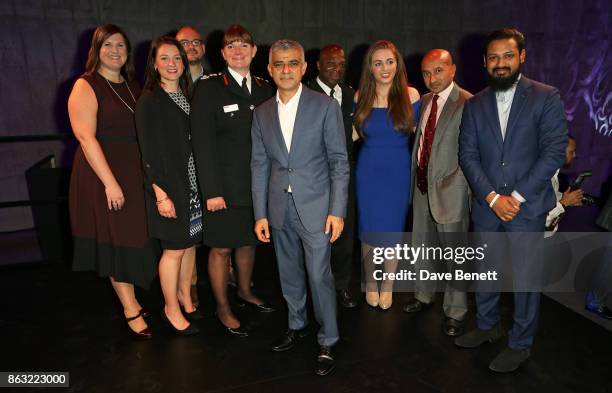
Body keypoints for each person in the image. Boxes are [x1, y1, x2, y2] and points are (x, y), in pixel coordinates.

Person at [457, 28, 567, 372]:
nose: (500, 63)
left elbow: (553, 153)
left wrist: (515, 197)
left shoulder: (546, 97)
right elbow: (467, 155)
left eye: (508, 56)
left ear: (522, 57)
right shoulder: (474, 103)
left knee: (525, 280)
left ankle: (520, 344)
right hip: (488, 207)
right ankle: (488, 327)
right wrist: (492, 198)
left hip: (527, 206)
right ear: (485, 62)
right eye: (493, 57)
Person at [251, 39, 349, 376]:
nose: (286, 70)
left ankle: (328, 338)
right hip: (279, 207)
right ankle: (296, 323)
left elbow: (339, 162)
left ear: (304, 67)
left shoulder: (324, 107)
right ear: (269, 69)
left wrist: (337, 210)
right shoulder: (261, 112)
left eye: (293, 63)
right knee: (288, 272)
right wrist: (260, 213)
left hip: (318, 208)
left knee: (319, 275)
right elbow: (259, 164)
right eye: (279, 64)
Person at [68, 24, 157, 340]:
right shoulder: (86, 85)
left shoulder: (133, 84)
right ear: (96, 50)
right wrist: (111, 183)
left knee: (135, 237)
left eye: (121, 45)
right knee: (118, 241)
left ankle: (134, 299)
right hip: (104, 174)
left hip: (134, 172)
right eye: (108, 45)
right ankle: (130, 309)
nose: (116, 50)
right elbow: (85, 137)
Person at [191, 25, 275, 338]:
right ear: (222, 53)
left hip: (257, 186)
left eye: (244, 45)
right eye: (231, 46)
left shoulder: (265, 87)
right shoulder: (210, 88)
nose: (237, 51)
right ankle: (222, 305)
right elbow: (202, 143)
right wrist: (211, 191)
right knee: (221, 248)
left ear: (255, 51)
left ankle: (244, 290)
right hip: (223, 189)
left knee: (248, 241)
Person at [402, 49, 472, 337]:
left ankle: (455, 312)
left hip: (450, 191)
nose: (432, 78)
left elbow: (472, 153)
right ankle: (423, 295)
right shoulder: (427, 100)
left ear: (452, 70)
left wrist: (461, 185)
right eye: (427, 73)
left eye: (438, 71)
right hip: (421, 187)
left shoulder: (468, 102)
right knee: (421, 246)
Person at [135, 36, 201, 336]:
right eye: (165, 58)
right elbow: (147, 152)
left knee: (189, 247)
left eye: (177, 58)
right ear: (154, 63)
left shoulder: (188, 94)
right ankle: (170, 309)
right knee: (174, 250)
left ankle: (185, 297)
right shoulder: (150, 99)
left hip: (193, 185)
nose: (172, 64)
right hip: (169, 187)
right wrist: (160, 195)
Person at [354, 40, 420, 310]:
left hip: (398, 172)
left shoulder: (412, 95)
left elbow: (422, 136)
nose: (384, 68)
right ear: (370, 67)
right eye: (378, 62)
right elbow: (353, 136)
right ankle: (371, 283)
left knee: (393, 230)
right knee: (369, 230)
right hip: (368, 172)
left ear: (398, 64)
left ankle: (389, 284)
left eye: (389, 62)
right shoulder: (361, 97)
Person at [306, 44, 358, 309]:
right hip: (312, 181)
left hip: (342, 178)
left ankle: (341, 286)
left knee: (344, 238)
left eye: (340, 64)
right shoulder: (305, 94)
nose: (336, 69)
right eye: (330, 64)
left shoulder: (349, 95)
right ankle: (316, 289)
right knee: (315, 239)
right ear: (317, 65)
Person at [175, 25, 205, 307]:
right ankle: (190, 284)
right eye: (185, 42)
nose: (192, 46)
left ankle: (230, 272)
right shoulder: (171, 80)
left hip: (212, 163)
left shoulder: (217, 79)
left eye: (197, 42)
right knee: (190, 228)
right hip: (184, 164)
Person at [545, 136, 582, 235]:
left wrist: (568, 199)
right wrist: (564, 203)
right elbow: (540, 219)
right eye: (571, 151)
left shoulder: (554, 173)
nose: (574, 155)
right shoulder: (542, 177)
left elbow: (549, 199)